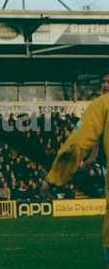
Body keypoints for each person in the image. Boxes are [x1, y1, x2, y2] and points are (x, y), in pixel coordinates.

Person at [42, 74, 109, 268]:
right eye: (104, 81)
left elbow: (77, 144)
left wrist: (53, 178)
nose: (105, 85)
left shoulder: (101, 104)